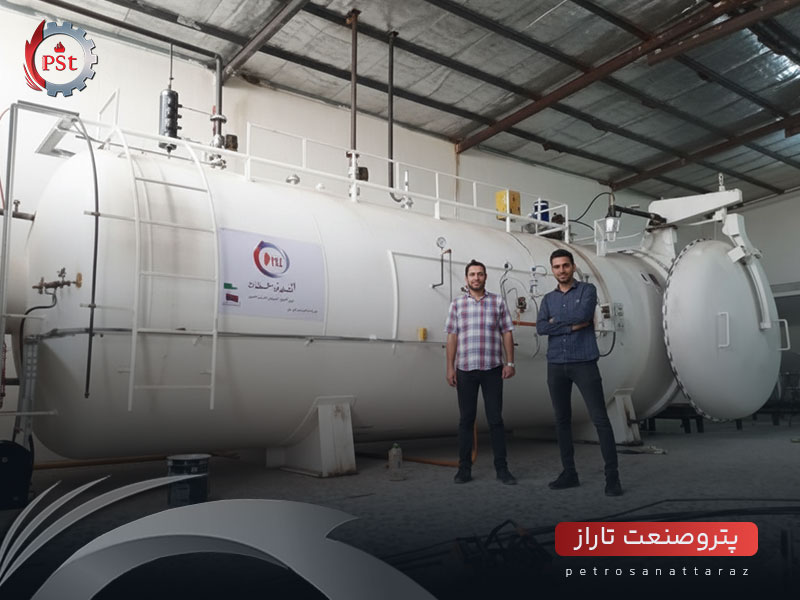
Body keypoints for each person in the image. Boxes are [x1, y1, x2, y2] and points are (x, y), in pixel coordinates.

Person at [536, 249, 623, 496]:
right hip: (556, 364)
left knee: (600, 419)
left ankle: (612, 477)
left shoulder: (587, 290)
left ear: (573, 267)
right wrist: (571, 326)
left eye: (565, 265)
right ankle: (569, 474)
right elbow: (541, 327)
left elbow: (584, 315)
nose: (561, 270)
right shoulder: (547, 299)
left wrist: (556, 323)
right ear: (552, 270)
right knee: (562, 421)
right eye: (556, 267)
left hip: (584, 362)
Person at [445, 259, 517, 485]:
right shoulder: (457, 305)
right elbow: (452, 336)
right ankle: (464, 469)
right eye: (472, 274)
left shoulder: (497, 302)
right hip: (465, 369)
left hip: (492, 369)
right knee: (466, 420)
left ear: (485, 277)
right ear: (466, 278)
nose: (476, 278)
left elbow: (507, 332)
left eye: (480, 274)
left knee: (496, 420)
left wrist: (510, 363)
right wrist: (450, 367)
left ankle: (502, 469)